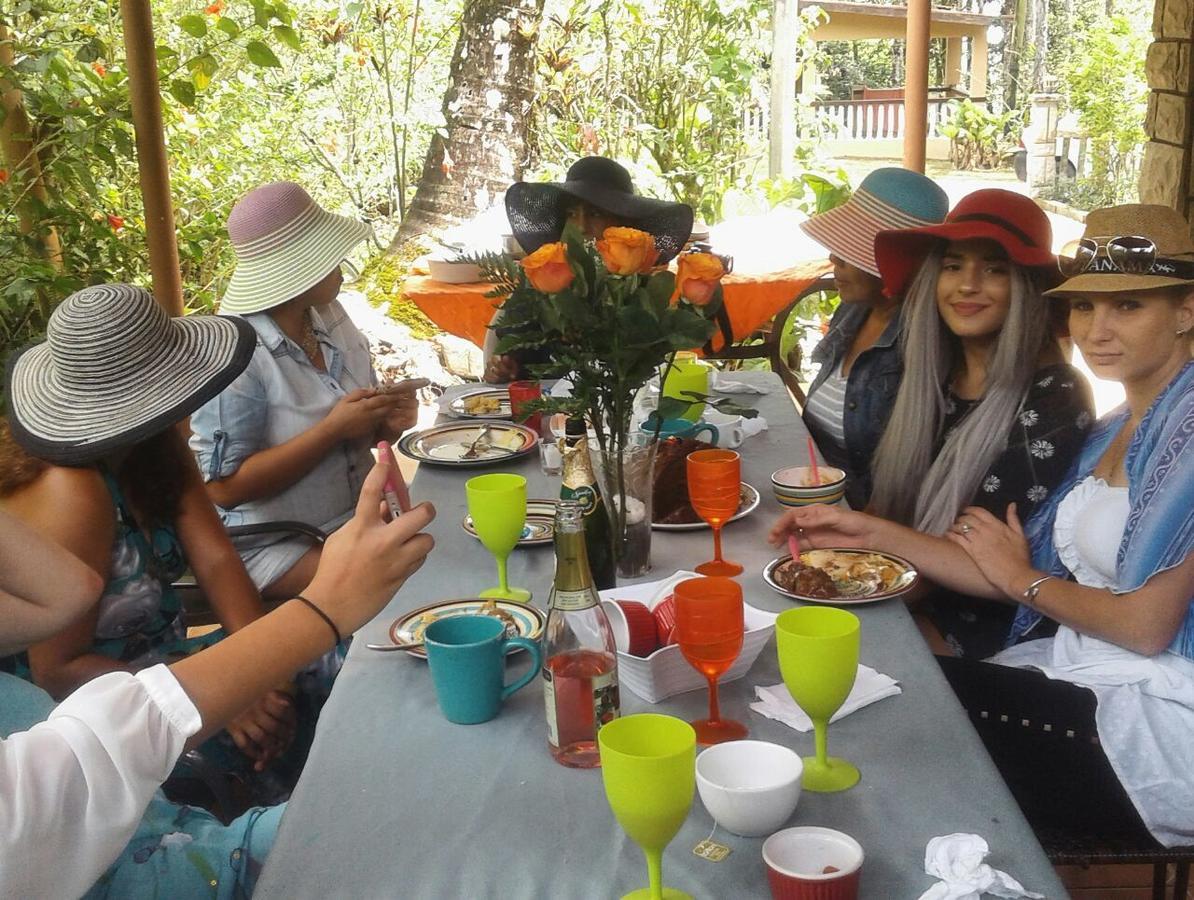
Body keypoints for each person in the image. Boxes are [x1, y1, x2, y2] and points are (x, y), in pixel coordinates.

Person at [770, 203, 1194, 847]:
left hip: (1157, 718)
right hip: (1081, 668)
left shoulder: (1184, 431)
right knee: (839, 697)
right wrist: (866, 531)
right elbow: (1003, 569)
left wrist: (1023, 579)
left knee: (886, 716)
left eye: (1128, 306)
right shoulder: (1116, 429)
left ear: (1186, 312)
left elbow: (1141, 626)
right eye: (1084, 307)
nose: (1097, 331)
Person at [1, 291, 437, 896]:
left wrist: (259, 663)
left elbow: (215, 556)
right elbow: (57, 669)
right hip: (105, 704)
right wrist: (228, 698)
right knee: (246, 742)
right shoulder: (75, 493)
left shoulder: (155, 447)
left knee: (350, 661)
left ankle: (367, 787)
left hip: (174, 670)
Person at [850, 189, 1093, 656]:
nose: (967, 285)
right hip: (898, 591)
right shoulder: (929, 376)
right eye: (954, 265)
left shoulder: (1056, 396)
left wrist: (854, 569)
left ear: (1028, 288)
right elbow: (884, 506)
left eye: (995, 269)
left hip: (981, 624)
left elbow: (974, 560)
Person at [189, 182, 425, 601]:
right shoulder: (238, 353)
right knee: (404, 586)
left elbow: (364, 433)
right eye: (328, 255)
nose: (341, 264)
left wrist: (388, 424)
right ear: (297, 269)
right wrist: (331, 431)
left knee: (431, 561)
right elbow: (223, 488)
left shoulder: (329, 315)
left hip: (351, 521)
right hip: (271, 544)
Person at [797, 167, 949, 507]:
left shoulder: (921, 346)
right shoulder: (853, 312)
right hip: (819, 499)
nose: (833, 258)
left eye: (848, 252)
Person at [485, 156, 695, 382]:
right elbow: (509, 358)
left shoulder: (640, 293)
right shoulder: (543, 279)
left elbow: (647, 371)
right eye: (571, 214)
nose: (582, 226)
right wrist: (502, 369)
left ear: (623, 224)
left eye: (595, 214)